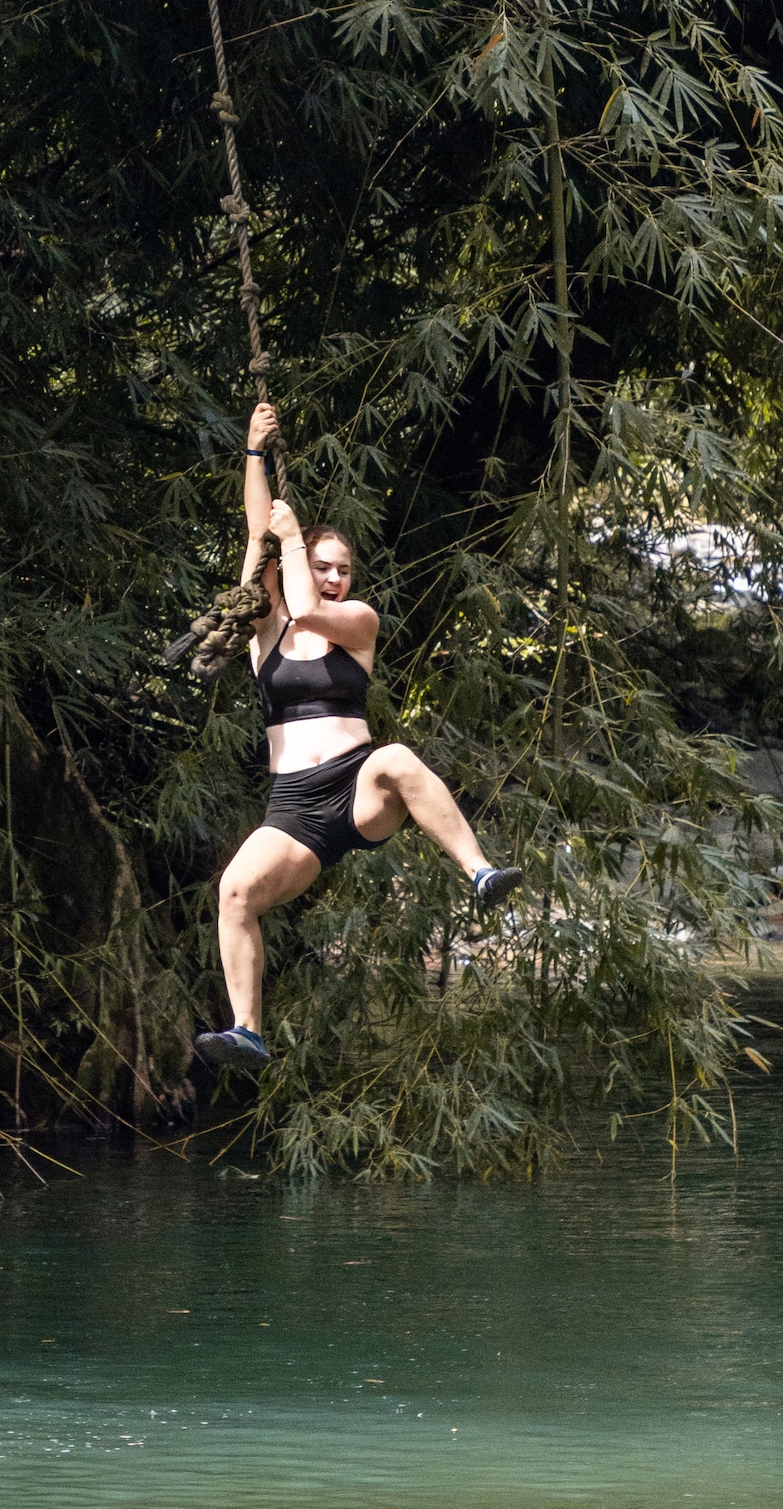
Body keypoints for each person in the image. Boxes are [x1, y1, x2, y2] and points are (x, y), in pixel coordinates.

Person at [195, 401, 522, 1072]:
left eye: (343, 567)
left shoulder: (356, 621)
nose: (334, 576)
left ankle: (480, 871)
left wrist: (295, 544)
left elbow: (308, 603)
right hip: (294, 808)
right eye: (323, 564)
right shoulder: (267, 628)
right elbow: (260, 536)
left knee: (395, 755)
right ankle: (248, 1030)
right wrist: (255, 453)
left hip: (357, 785)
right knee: (234, 892)